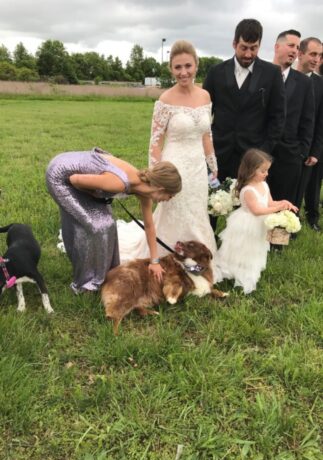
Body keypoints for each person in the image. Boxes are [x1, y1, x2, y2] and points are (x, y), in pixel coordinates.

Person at [117, 40, 219, 274]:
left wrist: (213, 164)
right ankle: (167, 257)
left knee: (196, 209)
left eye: (188, 66)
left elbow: (207, 135)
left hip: (197, 168)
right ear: (171, 69)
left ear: (196, 65)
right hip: (174, 165)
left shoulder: (205, 96)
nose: (183, 72)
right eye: (177, 67)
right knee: (173, 210)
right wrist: (157, 176)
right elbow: (155, 142)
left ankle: (199, 258)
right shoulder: (165, 100)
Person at [46, 147, 182, 293]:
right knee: (98, 226)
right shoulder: (119, 183)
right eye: (170, 195)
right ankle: (87, 283)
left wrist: (154, 262)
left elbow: (149, 226)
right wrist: (95, 195)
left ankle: (107, 274)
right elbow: (75, 180)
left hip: (79, 178)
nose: (169, 200)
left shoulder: (144, 192)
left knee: (109, 224)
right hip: (60, 176)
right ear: (161, 189)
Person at [203, 19, 286, 182]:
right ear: (234, 44)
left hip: (253, 159)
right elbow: (204, 114)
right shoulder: (216, 72)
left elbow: (278, 117)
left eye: (253, 48)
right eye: (244, 48)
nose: (248, 54)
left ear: (259, 45)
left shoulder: (272, 74)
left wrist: (263, 153)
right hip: (219, 154)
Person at [215, 149, 298, 294]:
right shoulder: (248, 190)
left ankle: (250, 270)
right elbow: (257, 210)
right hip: (247, 224)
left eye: (267, 170)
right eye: (263, 171)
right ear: (251, 170)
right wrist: (278, 208)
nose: (267, 174)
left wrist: (283, 202)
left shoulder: (264, 185)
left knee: (256, 249)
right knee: (243, 249)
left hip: (259, 225)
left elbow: (269, 203)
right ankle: (235, 272)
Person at [268, 30, 314, 206]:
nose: (295, 50)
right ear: (277, 46)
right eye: (291, 45)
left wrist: (300, 152)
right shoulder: (261, 74)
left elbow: (308, 120)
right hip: (260, 154)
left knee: (284, 208)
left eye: (297, 47)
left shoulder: (304, 82)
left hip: (289, 157)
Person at [295, 37, 323, 232]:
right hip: (286, 144)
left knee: (312, 184)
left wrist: (316, 150)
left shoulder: (320, 84)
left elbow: (321, 120)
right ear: (300, 53)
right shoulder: (283, 76)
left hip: (311, 144)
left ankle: (312, 218)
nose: (317, 59)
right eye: (313, 54)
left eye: (320, 56)